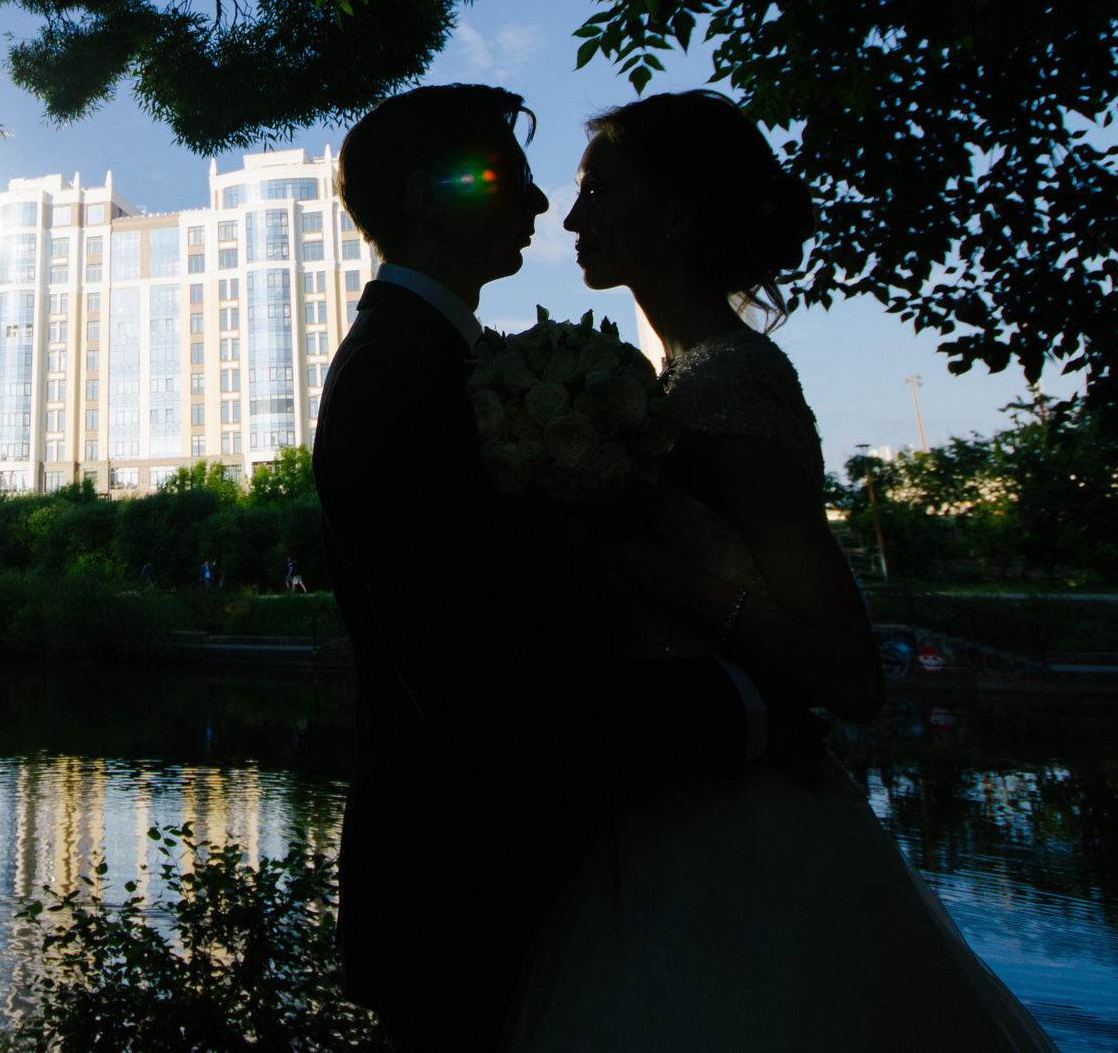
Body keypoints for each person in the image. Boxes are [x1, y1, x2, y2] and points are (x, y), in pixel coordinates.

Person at [500, 90, 1058, 1052]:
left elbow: (848, 669)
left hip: (742, 841)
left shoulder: (725, 381)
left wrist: (615, 546)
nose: (573, 215)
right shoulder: (668, 385)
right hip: (668, 804)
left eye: (598, 188)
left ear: (676, 214)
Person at [315, 85, 797, 1053]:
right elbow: (476, 685)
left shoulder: (458, 368)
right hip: (465, 898)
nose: (541, 207)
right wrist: (742, 712)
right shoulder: (393, 381)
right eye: (509, 177)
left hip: (547, 891)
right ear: (425, 197)